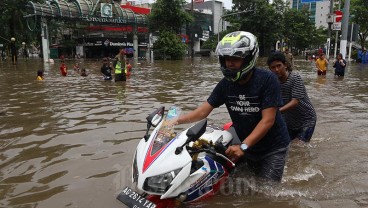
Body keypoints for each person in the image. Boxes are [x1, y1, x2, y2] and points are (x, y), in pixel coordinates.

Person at [171, 31, 290, 182]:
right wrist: (175, 121)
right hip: (246, 143)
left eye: (235, 59)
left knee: (266, 192)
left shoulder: (267, 80)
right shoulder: (225, 84)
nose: (230, 63)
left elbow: (268, 120)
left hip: (273, 147)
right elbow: (202, 111)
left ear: (248, 59)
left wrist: (243, 147)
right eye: (226, 59)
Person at [267, 52, 317, 143]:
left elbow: (295, 101)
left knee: (298, 147)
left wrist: (276, 112)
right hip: (289, 122)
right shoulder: (272, 82)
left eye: (279, 66)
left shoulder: (294, 77)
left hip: (307, 119)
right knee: (287, 147)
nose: (277, 69)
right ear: (270, 69)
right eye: (273, 67)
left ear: (285, 65)